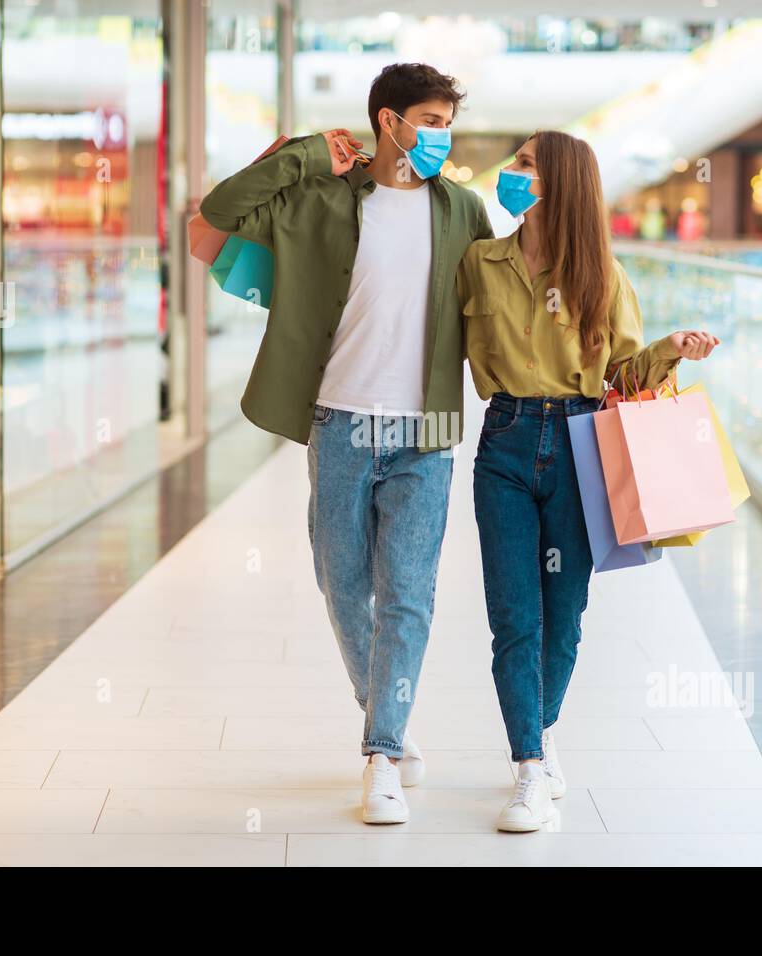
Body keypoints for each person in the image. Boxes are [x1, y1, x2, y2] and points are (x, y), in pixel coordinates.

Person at [199, 63, 493, 825]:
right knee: (342, 585)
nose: (439, 135)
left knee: (408, 597)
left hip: (425, 428)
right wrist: (303, 154)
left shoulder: (462, 208)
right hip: (337, 420)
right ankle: (384, 713)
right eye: (427, 120)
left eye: (444, 121)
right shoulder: (322, 196)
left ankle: (382, 753)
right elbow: (221, 208)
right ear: (387, 121)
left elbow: (495, 301)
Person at [459, 131, 720, 831]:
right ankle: (527, 769)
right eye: (513, 164)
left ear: (562, 183)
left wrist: (672, 350)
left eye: (523, 167)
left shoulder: (603, 275)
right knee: (514, 618)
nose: (510, 176)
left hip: (580, 446)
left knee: (563, 617)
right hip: (505, 445)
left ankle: (540, 738)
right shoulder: (481, 263)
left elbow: (624, 380)